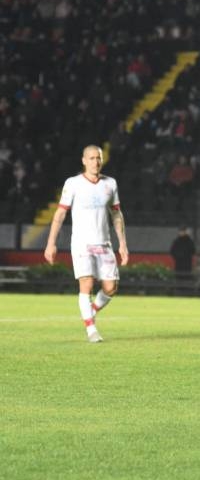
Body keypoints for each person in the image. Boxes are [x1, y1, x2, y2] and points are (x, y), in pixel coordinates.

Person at [43, 145, 129, 343]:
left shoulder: (110, 184)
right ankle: (91, 329)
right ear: (84, 160)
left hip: (104, 243)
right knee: (87, 283)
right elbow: (60, 213)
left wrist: (122, 243)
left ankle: (91, 310)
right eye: (91, 158)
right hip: (82, 243)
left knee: (110, 287)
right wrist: (51, 243)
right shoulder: (73, 184)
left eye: (98, 158)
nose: (95, 162)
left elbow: (116, 214)